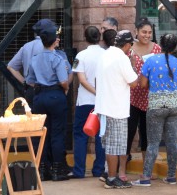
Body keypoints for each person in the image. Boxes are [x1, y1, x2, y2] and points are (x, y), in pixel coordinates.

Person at [133, 34, 177, 187]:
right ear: (175, 47)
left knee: (153, 143)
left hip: (156, 106)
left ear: (160, 45)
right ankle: (171, 176)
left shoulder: (150, 61)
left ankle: (145, 177)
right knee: (172, 143)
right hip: (175, 106)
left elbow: (142, 84)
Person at [96, 29, 143, 189]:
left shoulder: (105, 54)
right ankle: (111, 178)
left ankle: (107, 174)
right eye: (131, 45)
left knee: (109, 143)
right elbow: (134, 82)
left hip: (104, 107)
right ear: (128, 44)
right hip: (116, 109)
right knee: (115, 146)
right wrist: (134, 66)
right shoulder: (121, 58)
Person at [27, 22, 72, 181]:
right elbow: (63, 81)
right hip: (55, 95)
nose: (59, 39)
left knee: (41, 133)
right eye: (57, 37)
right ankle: (57, 168)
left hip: (39, 97)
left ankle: (42, 168)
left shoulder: (35, 58)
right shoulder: (57, 58)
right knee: (57, 133)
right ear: (53, 40)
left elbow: (30, 80)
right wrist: (64, 88)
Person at [72, 26, 106, 179]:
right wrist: (99, 93)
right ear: (99, 37)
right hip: (102, 102)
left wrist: (93, 91)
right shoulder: (106, 55)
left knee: (80, 135)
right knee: (100, 136)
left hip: (84, 101)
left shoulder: (80, 55)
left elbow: (81, 79)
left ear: (85, 38)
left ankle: (79, 171)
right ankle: (98, 170)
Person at [127, 19, 161, 163]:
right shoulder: (129, 49)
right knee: (129, 131)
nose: (147, 35)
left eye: (149, 32)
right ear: (136, 32)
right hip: (131, 97)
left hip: (150, 98)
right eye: (143, 32)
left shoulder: (157, 49)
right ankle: (123, 163)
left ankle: (147, 167)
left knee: (147, 134)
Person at [7, 19, 53, 104]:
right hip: (47, 90)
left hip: (30, 90)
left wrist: (25, 81)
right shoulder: (50, 46)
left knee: (33, 116)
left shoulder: (26, 46)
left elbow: (11, 66)